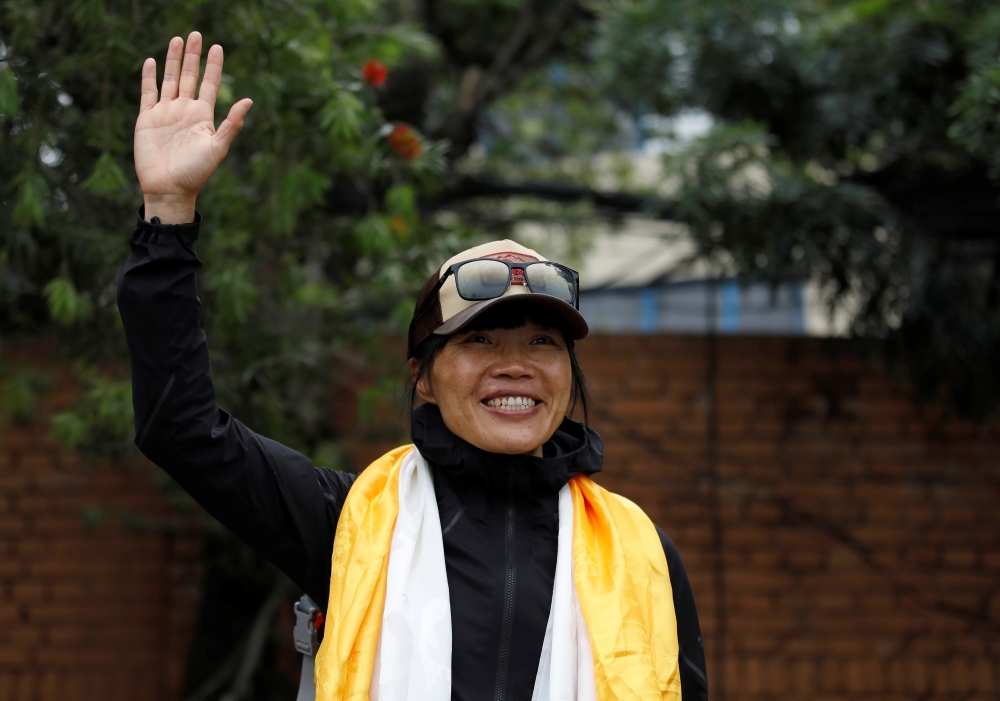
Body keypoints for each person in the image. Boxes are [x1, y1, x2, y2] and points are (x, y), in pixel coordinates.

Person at [119, 32, 708, 701]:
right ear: (424, 376)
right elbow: (181, 427)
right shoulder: (351, 521)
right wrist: (167, 215)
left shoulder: (644, 554)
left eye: (543, 343)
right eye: (480, 342)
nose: (515, 366)